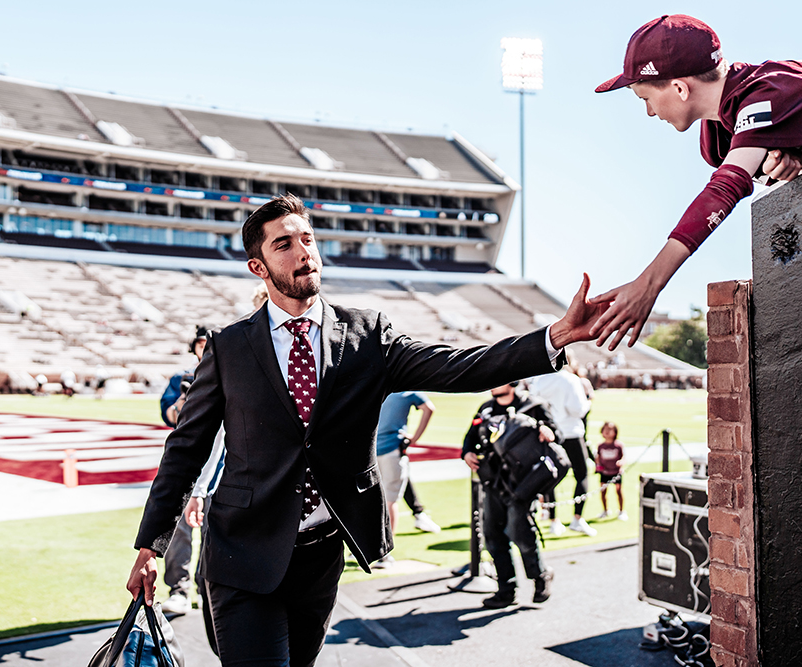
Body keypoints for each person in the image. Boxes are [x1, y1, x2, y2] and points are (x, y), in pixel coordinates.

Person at [126, 194, 609, 667]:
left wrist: (557, 337)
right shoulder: (228, 348)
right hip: (241, 553)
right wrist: (152, 545)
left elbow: (458, 367)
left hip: (320, 556)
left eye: (307, 240)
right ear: (258, 267)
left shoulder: (368, 334)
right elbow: (186, 449)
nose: (303, 252)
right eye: (284, 245)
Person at [590, 14, 802, 351]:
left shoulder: (768, 88)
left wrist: (649, 284)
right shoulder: (719, 139)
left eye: (644, 98)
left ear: (679, 88)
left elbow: (725, 189)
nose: (649, 112)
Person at [461, 382, 558, 608]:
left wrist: (547, 431)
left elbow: (556, 436)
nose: (493, 385)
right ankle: (506, 589)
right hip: (493, 482)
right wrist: (466, 453)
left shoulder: (534, 406)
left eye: (500, 379)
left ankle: (540, 576)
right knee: (493, 535)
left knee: (520, 531)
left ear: (513, 382)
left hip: (522, 484)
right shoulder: (486, 409)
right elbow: (470, 437)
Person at [157, 325, 214, 618]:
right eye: (201, 344)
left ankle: (208, 589)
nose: (205, 350)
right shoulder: (182, 378)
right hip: (188, 462)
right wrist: (185, 399)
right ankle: (179, 590)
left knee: (213, 531)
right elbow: (170, 417)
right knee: (178, 530)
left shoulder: (231, 371)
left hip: (219, 465)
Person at [529, 366, 595, 537]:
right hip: (570, 431)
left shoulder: (540, 378)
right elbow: (577, 409)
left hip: (549, 433)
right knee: (582, 474)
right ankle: (577, 518)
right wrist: (588, 402)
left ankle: (553, 521)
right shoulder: (570, 379)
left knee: (550, 475)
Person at [373, 391, 435, 568]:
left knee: (374, 500)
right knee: (390, 500)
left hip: (370, 449)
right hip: (392, 448)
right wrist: (415, 439)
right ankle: (385, 553)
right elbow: (429, 408)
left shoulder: (379, 382)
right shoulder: (408, 389)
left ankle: (371, 547)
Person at [595, 422, 627, 521]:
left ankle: (621, 511)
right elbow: (598, 457)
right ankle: (605, 510)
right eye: (605, 430)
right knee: (603, 492)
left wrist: (621, 462)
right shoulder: (601, 445)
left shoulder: (618, 445)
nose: (607, 432)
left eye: (610, 430)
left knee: (618, 491)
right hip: (605, 472)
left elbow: (624, 457)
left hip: (616, 472)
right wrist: (598, 465)